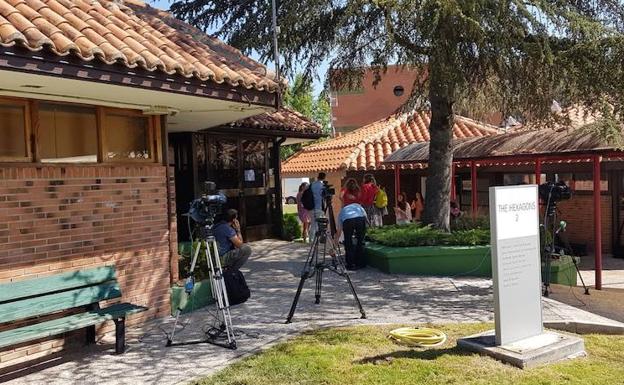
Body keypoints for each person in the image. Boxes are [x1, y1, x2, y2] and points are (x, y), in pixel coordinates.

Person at [334, 203, 367, 270]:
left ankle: (350, 264)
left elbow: (339, 231)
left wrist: (334, 246)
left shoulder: (341, 212)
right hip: (360, 218)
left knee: (348, 241)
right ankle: (360, 263)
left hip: (347, 221)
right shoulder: (358, 206)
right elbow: (365, 217)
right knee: (361, 240)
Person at [308, 172, 327, 241]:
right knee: (319, 224)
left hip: (311, 206)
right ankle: (317, 239)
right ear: (324, 177)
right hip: (319, 207)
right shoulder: (322, 186)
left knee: (313, 223)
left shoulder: (312, 184)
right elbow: (324, 196)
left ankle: (311, 239)